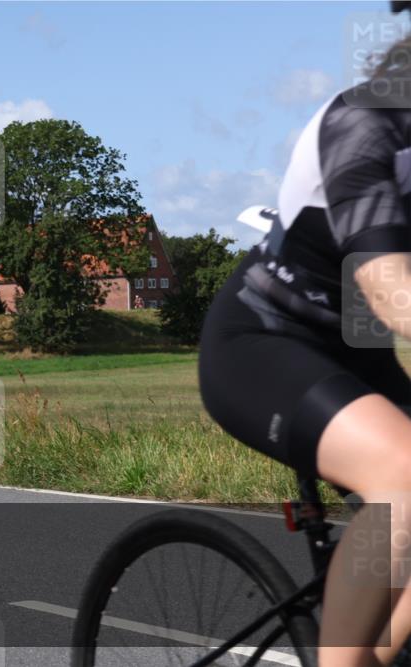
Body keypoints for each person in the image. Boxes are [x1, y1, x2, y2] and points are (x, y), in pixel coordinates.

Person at [198, 4, 411, 665]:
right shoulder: (364, 123)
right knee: (407, 471)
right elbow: (387, 286)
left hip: (358, 354)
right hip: (265, 341)